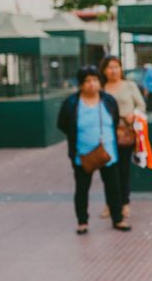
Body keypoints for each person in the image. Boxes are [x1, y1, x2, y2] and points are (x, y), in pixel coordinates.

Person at [57, 66, 132, 235]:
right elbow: (63, 124)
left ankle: (117, 218)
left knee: (114, 187)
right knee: (82, 188)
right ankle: (82, 222)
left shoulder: (108, 100)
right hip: (83, 155)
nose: (92, 84)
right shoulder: (72, 103)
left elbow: (114, 119)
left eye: (95, 80)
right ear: (81, 84)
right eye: (88, 81)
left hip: (108, 153)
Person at [99, 56, 146, 219]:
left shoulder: (129, 86)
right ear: (104, 70)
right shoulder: (101, 88)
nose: (113, 71)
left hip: (125, 134)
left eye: (116, 67)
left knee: (123, 170)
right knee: (107, 170)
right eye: (110, 67)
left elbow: (141, 105)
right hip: (106, 135)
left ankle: (124, 203)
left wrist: (134, 114)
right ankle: (110, 204)